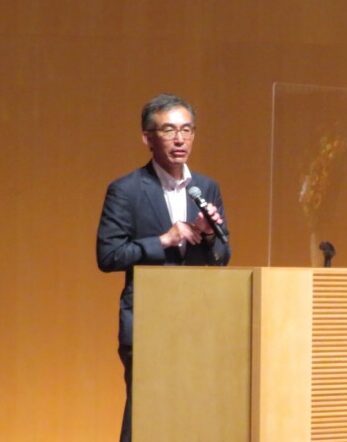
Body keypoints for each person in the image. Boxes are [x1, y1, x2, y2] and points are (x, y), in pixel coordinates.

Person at [96, 93, 231, 442]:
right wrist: (164, 240)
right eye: (169, 130)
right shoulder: (126, 190)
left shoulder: (206, 187)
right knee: (144, 415)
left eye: (187, 129)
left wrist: (208, 235)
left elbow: (223, 256)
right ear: (148, 138)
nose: (179, 139)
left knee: (192, 415)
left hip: (197, 320)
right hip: (147, 320)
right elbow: (108, 255)